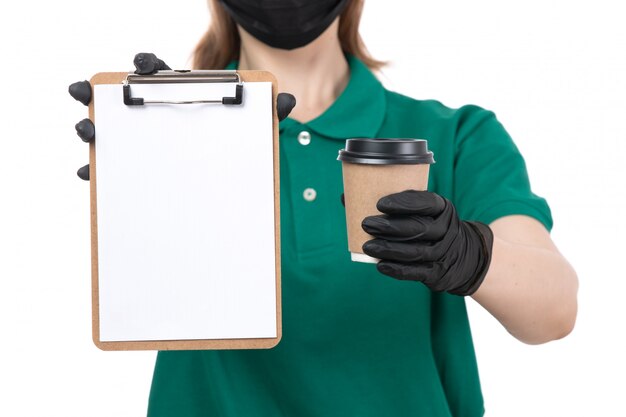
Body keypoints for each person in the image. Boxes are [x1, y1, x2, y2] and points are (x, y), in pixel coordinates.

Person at [69, 0, 579, 415]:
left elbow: (554, 311)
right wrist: (150, 176)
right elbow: (133, 308)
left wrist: (465, 253)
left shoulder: (456, 134)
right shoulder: (170, 137)